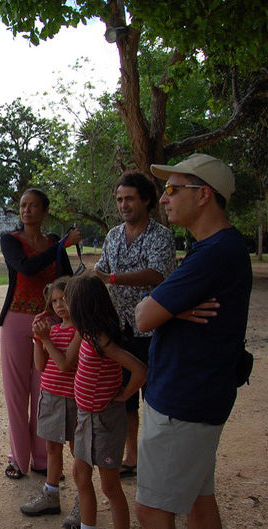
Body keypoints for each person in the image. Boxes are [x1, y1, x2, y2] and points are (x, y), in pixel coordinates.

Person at [135, 154, 252, 528]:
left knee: (152, 510)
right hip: (198, 396)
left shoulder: (215, 254)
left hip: (182, 402)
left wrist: (165, 307)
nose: (164, 198)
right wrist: (171, 306)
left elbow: (142, 317)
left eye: (172, 189)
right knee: (200, 502)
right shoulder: (218, 249)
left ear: (203, 195)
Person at [89, 171, 175, 478]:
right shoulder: (113, 235)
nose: (123, 205)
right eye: (119, 199)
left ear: (146, 200)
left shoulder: (160, 236)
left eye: (129, 198)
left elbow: (157, 274)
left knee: (155, 396)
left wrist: (111, 279)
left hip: (155, 330)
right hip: (120, 329)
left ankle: (157, 459)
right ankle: (132, 456)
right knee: (124, 396)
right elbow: (98, 272)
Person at [0, 188, 81, 479]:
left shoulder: (53, 243)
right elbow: (26, 268)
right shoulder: (11, 240)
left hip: (50, 324)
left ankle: (42, 457)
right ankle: (18, 459)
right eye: (23, 205)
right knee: (16, 395)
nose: (27, 210)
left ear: (45, 212)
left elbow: (68, 280)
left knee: (45, 392)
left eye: (34, 206)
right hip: (16, 321)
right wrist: (60, 248)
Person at [67, 274, 147, 529]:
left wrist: (124, 395)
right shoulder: (86, 333)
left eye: (69, 302)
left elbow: (140, 370)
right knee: (80, 475)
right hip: (85, 417)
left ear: (82, 306)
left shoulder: (100, 339)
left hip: (104, 419)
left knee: (110, 485)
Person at [20, 277, 82, 527]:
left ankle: (83, 500)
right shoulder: (54, 330)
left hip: (75, 399)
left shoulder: (81, 330)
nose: (59, 305)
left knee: (79, 452)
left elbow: (66, 363)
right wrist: (38, 338)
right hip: (51, 397)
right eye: (54, 301)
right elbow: (40, 365)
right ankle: (51, 494)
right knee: (52, 448)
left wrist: (45, 340)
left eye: (64, 299)